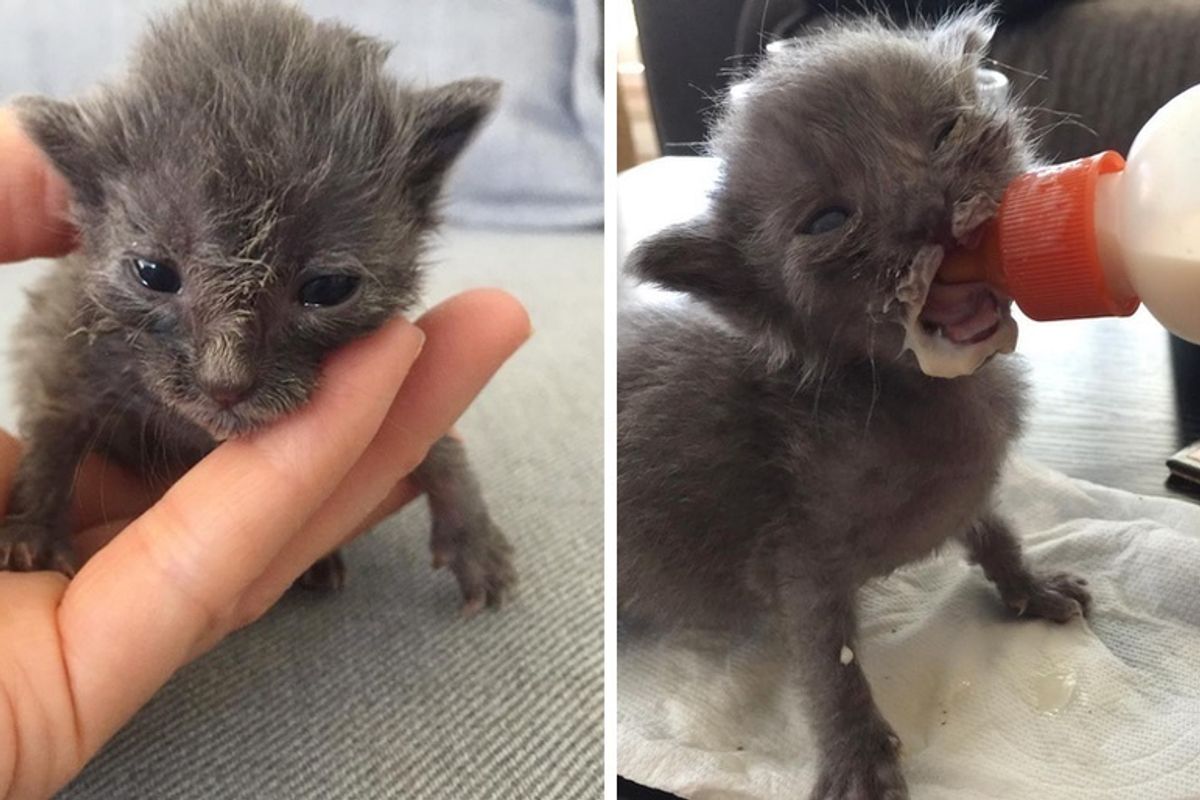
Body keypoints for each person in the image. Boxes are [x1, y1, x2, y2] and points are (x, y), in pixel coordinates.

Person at [0, 109, 531, 799]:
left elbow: (407, 426)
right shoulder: (91, 327)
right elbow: (59, 410)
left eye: (324, 289)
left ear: (417, 200)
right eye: (157, 274)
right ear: (87, 191)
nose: (227, 374)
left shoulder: (351, 338)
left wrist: (466, 523)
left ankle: (303, 528)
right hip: (124, 458)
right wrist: (34, 521)